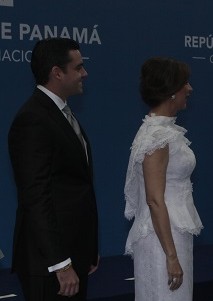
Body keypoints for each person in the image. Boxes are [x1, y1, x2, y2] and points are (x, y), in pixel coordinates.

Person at [8, 38, 99, 300]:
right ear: (57, 73)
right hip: (51, 265)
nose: (85, 73)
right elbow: (35, 197)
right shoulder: (33, 119)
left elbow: (75, 186)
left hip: (74, 254)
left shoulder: (61, 114)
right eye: (79, 67)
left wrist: (88, 248)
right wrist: (61, 263)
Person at [124, 57, 203, 301]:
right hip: (163, 241)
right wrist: (170, 256)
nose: (190, 89)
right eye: (185, 83)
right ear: (171, 91)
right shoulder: (157, 135)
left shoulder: (163, 131)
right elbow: (154, 199)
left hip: (173, 233)